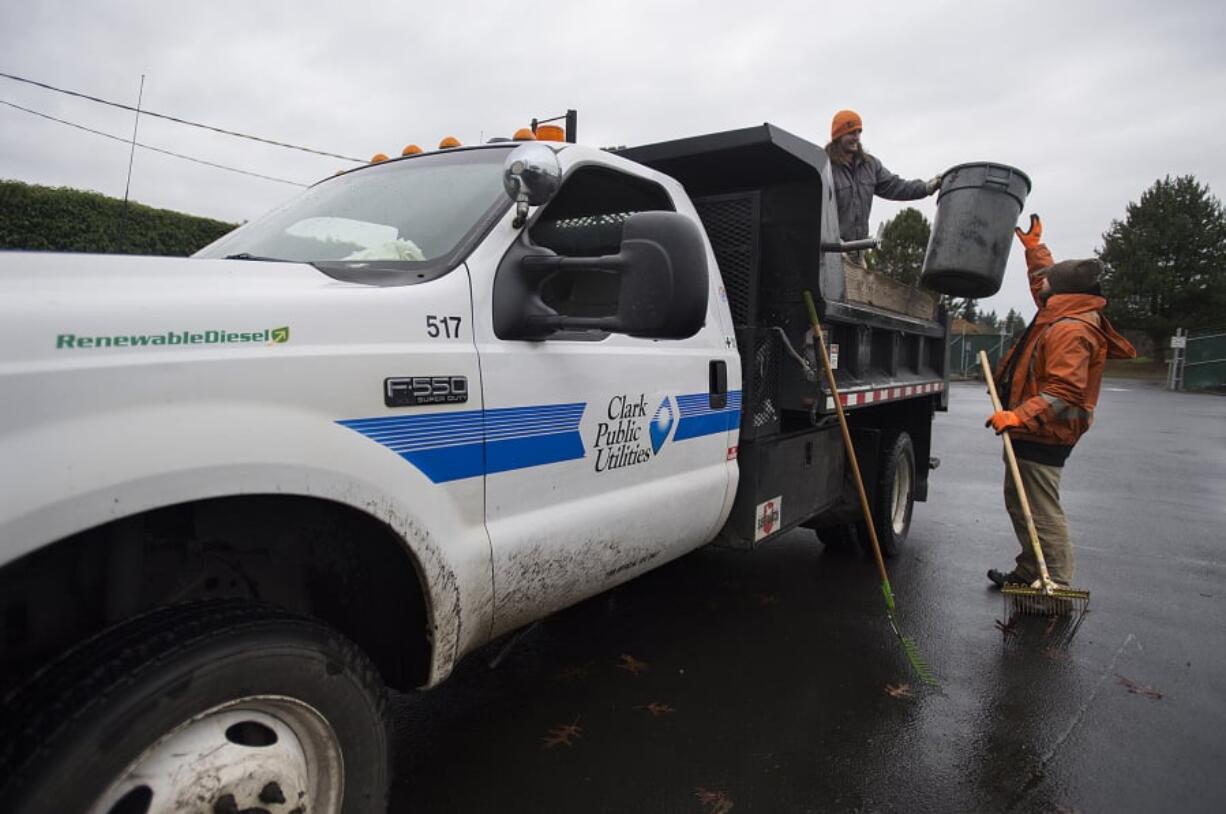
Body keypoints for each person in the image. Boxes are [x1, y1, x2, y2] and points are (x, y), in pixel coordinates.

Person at [985, 214, 1136, 589]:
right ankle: (1030, 571)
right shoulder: (1062, 309)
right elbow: (1045, 282)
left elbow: (1064, 392)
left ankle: (1056, 583)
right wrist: (1035, 251)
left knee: (1040, 510)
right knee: (1021, 504)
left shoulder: (1070, 329)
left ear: (1061, 291)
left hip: (1045, 430)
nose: (1043, 283)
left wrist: (1019, 417)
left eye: (1049, 280)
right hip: (1035, 428)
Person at [825, 109, 942, 255]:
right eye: (851, 133)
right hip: (833, 254)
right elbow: (817, 212)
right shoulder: (825, 168)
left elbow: (897, 187)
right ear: (838, 136)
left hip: (858, 255)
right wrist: (832, 240)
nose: (856, 137)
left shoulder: (870, 165)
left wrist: (926, 188)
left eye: (858, 132)